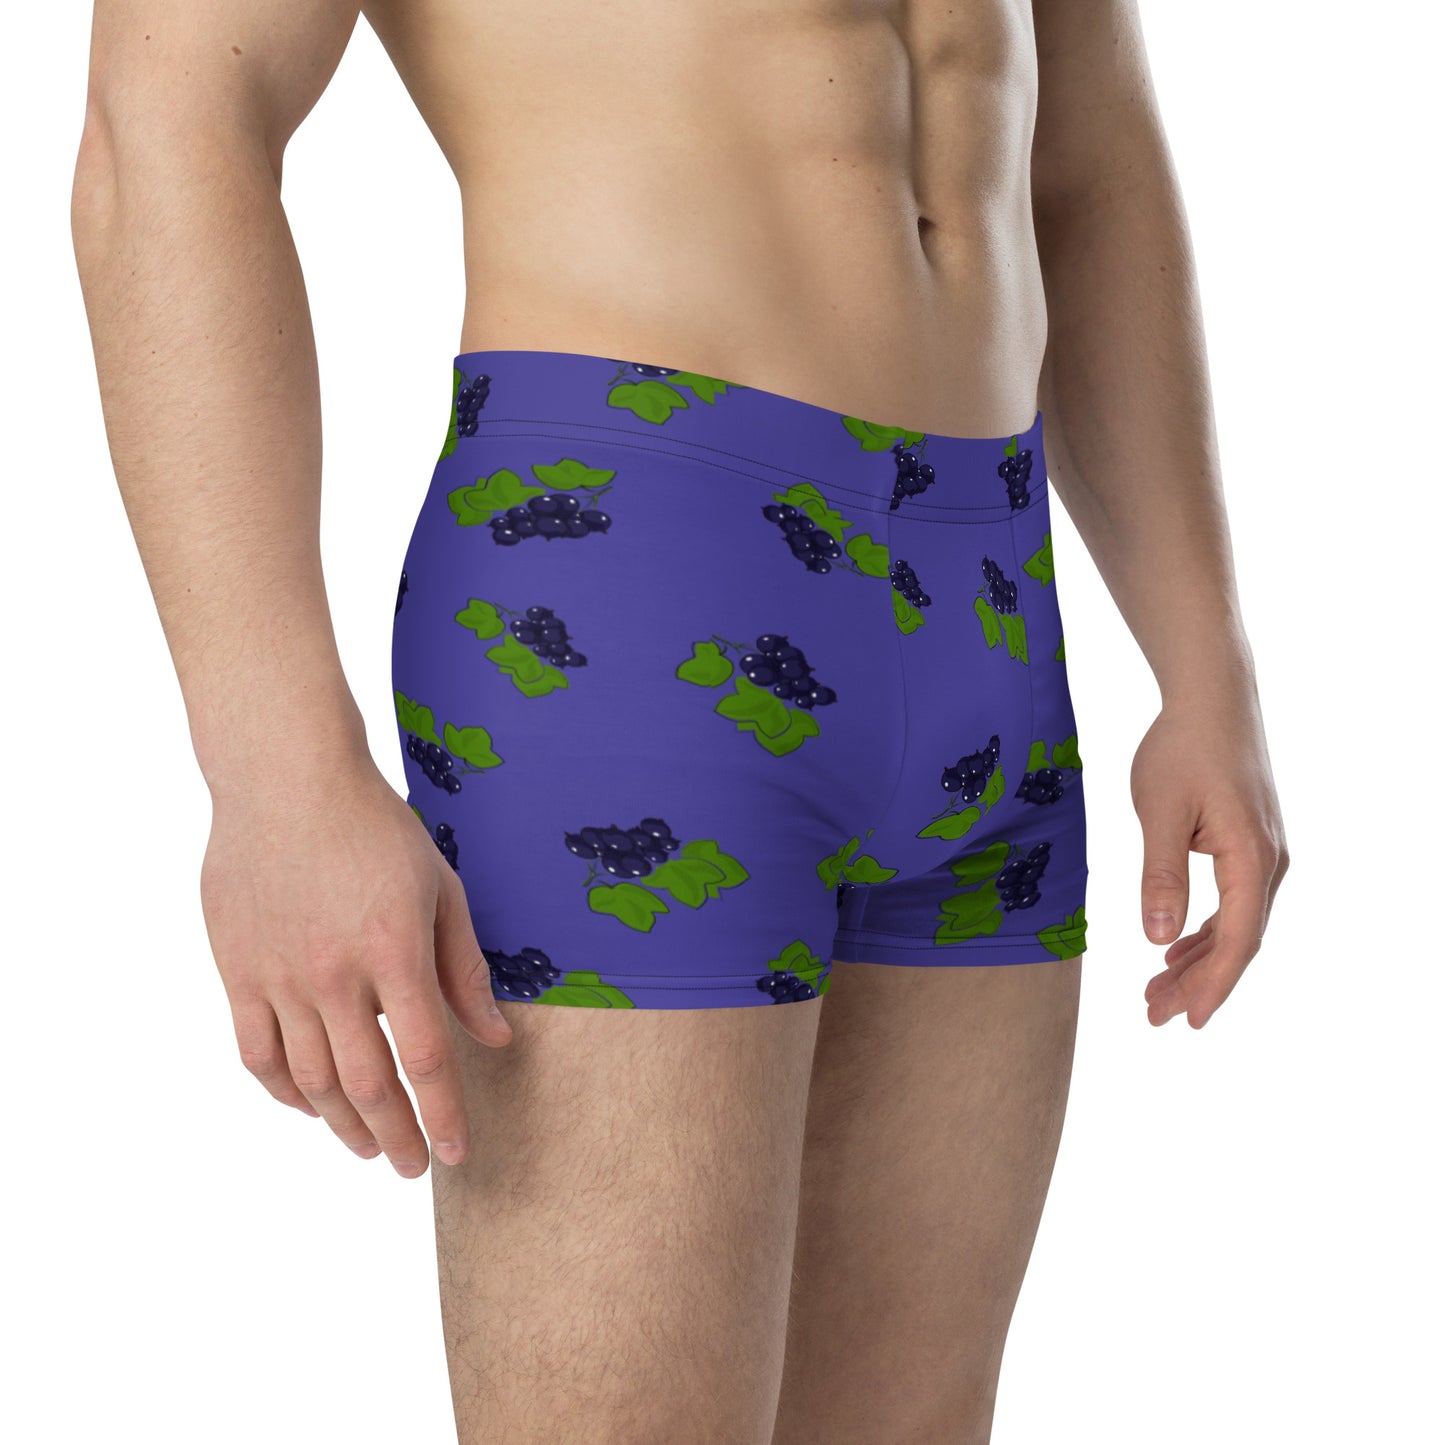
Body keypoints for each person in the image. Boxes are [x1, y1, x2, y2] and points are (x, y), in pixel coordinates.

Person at [70, 1, 1289, 1440]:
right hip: (629, 585)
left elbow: (1083, 153)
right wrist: (275, 774)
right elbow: (170, 124)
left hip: (989, 593)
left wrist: (1201, 656)